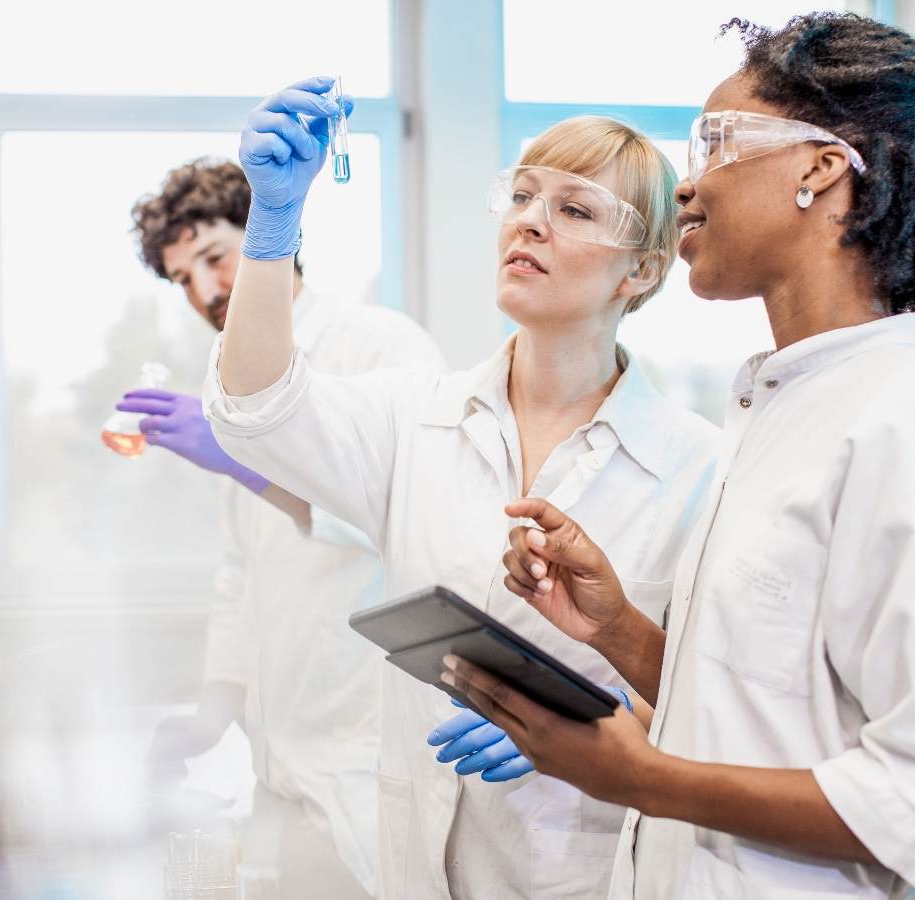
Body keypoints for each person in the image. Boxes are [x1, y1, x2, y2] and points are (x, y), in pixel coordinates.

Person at [448, 12, 915, 899]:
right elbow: (771, 708)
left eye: (715, 142)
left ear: (821, 167)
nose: (687, 184)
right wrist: (620, 633)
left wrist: (640, 779)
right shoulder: (782, 406)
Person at [201, 76, 722, 899]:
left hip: (583, 871)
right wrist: (273, 229)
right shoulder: (416, 417)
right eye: (522, 196)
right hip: (413, 867)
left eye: (575, 209)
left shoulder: (701, 470)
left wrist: (596, 720)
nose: (529, 220)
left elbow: (721, 703)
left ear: (643, 270)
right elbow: (258, 414)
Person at [121, 158, 445, 898]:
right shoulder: (223, 374)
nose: (205, 289)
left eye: (214, 256)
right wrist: (211, 714)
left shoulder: (381, 345)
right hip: (281, 758)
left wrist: (244, 462)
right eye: (181, 278)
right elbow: (242, 566)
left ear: (273, 236)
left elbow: (418, 521)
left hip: (369, 748)